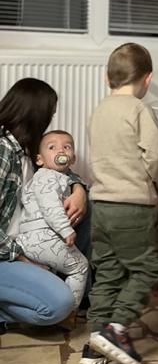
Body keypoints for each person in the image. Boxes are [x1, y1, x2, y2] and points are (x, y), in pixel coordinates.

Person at [83, 42, 158, 364]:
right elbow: (156, 155)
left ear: (108, 79)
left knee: (107, 273)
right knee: (148, 269)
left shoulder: (99, 110)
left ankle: (93, 347)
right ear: (147, 79)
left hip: (100, 205)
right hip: (133, 206)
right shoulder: (138, 109)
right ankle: (115, 328)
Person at [0, 79, 85, 328]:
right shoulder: (3, 152)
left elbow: (59, 169)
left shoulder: (26, 149)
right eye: (50, 114)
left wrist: (79, 189)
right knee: (58, 304)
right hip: (6, 252)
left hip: (23, 244)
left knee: (84, 214)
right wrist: (22, 258)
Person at [17, 129, 89, 308]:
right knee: (80, 266)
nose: (61, 151)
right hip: (42, 236)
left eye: (67, 147)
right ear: (40, 159)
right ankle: (69, 311)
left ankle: (48, 302)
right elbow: (49, 206)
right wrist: (66, 229)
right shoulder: (47, 177)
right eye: (52, 147)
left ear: (72, 159)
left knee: (51, 273)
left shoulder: (58, 177)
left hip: (37, 238)